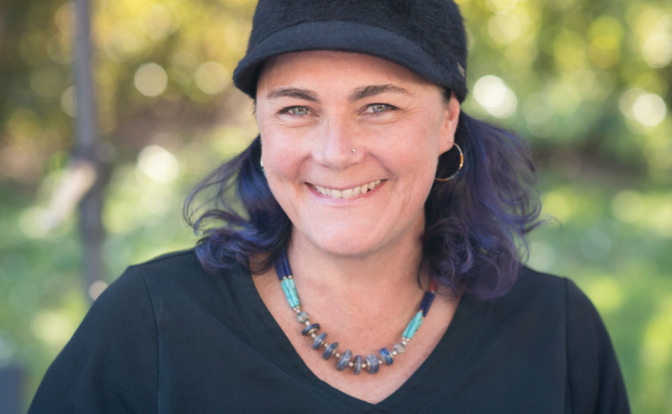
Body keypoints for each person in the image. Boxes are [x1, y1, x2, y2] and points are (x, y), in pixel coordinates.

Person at [29, 0, 630, 412]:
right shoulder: (148, 326)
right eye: (297, 108)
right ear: (260, 123)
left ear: (447, 120)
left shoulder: (558, 334)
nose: (336, 153)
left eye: (379, 107)